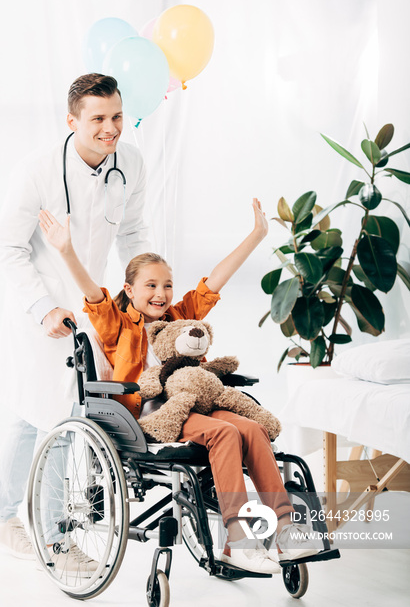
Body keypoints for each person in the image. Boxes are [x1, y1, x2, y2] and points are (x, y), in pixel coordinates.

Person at [38, 198, 318, 575]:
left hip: (196, 403)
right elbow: (93, 294)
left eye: (167, 285)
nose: (161, 293)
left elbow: (215, 281)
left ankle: (285, 529)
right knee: (223, 433)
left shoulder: (179, 318)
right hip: (153, 415)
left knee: (250, 428)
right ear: (130, 290)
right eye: (150, 285)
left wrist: (256, 235)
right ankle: (238, 540)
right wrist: (67, 250)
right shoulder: (118, 325)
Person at [0, 74, 151, 568]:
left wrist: (145, 293)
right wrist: (42, 307)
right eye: (97, 118)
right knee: (56, 414)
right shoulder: (36, 171)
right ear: (72, 120)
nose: (110, 129)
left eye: (117, 116)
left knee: (40, 414)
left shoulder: (132, 163)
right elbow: (6, 247)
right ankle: (56, 540)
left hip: (89, 306)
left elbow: (135, 231)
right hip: (42, 311)